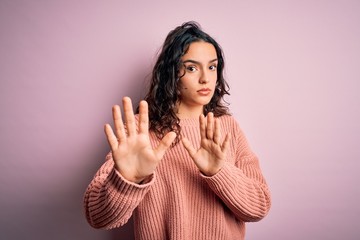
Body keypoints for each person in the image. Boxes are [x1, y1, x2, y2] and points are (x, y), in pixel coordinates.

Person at [83, 21, 271, 240]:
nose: (205, 78)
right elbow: (97, 217)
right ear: (171, 73)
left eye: (212, 66)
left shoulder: (228, 127)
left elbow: (259, 207)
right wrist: (128, 180)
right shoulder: (141, 131)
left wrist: (219, 173)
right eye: (191, 68)